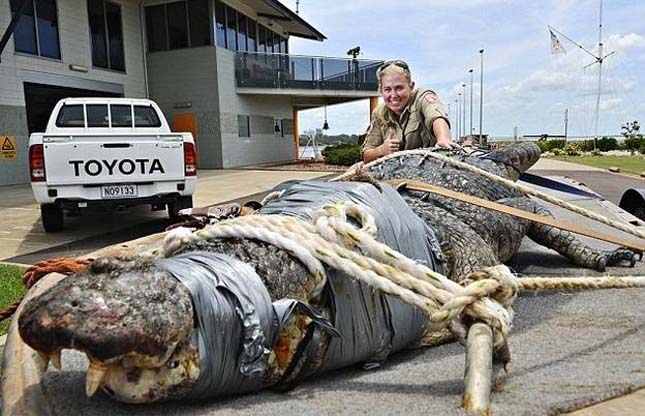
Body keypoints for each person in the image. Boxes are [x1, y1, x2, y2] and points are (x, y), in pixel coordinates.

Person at [362, 60, 459, 163]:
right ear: (381, 90)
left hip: (430, 164)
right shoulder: (379, 113)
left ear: (411, 86)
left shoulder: (422, 97)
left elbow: (436, 116)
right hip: (395, 170)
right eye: (387, 89)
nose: (394, 95)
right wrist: (381, 150)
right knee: (354, 170)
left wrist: (443, 138)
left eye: (399, 88)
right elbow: (366, 155)